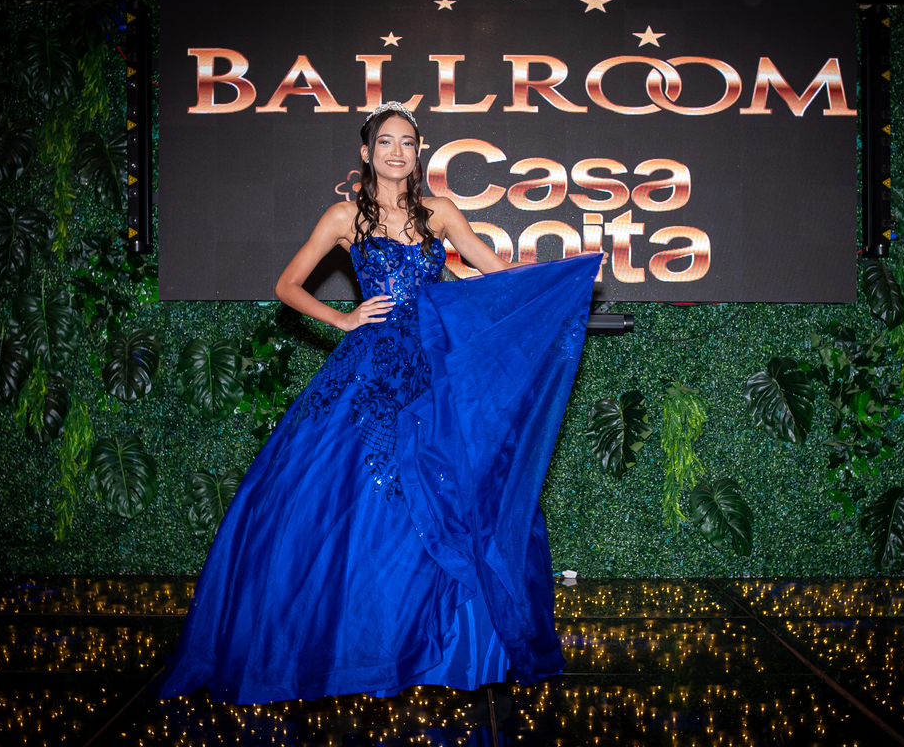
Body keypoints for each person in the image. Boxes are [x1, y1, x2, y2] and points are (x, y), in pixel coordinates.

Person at [157, 101, 603, 704]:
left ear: (418, 154)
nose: (398, 152)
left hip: (432, 368)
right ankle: (355, 645)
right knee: (357, 496)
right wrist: (343, 320)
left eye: (408, 143)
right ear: (366, 153)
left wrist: (557, 286)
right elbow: (287, 285)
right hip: (368, 372)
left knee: (449, 490)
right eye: (386, 142)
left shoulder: (440, 212)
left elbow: (497, 273)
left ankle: (447, 649)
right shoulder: (345, 216)